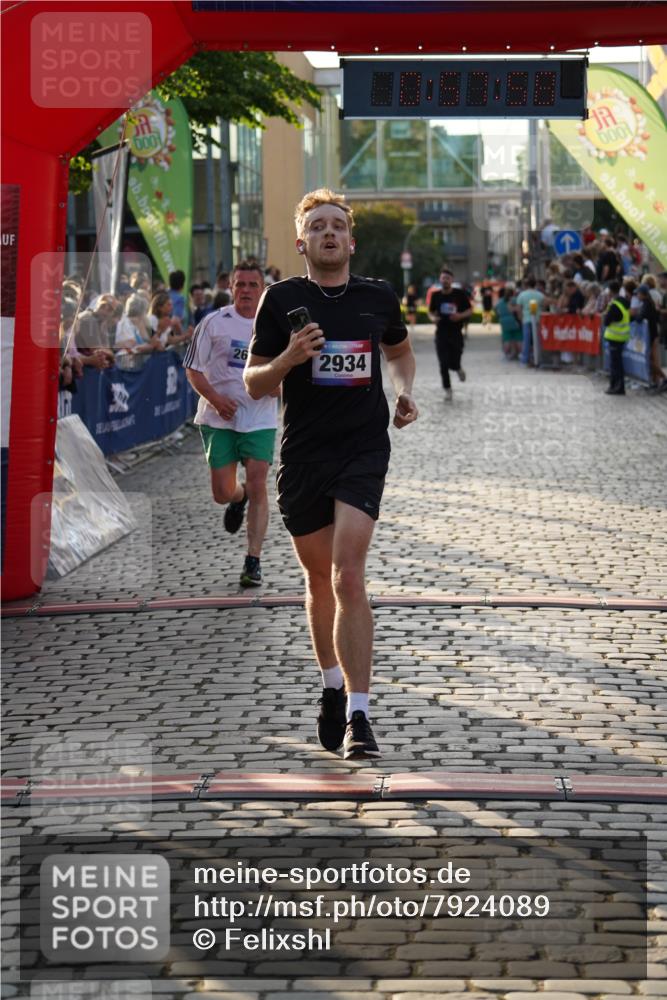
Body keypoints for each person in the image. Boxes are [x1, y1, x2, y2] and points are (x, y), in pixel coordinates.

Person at [244, 188, 418, 760]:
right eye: (317, 226)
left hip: (364, 450)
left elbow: (399, 351)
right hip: (304, 457)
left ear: (351, 239)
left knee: (348, 576)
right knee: (319, 582)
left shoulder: (377, 295)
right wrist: (290, 357)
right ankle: (332, 689)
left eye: (337, 225)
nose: (328, 233)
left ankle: (361, 719)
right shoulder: (281, 299)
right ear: (302, 241)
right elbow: (254, 383)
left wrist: (405, 393)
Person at [184, 261, 278, 588]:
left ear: (263, 289)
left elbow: (290, 374)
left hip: (259, 418)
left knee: (258, 482)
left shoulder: (276, 326)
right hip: (217, 418)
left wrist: (277, 386)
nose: (247, 291)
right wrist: (215, 399)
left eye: (253, 285)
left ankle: (253, 560)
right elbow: (193, 369)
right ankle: (238, 499)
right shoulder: (213, 323)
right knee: (222, 493)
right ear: (231, 288)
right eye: (241, 285)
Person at [428, 266, 472, 401]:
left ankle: (458, 368)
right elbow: (430, 312)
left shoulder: (459, 294)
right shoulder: (436, 295)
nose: (445, 280)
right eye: (443, 278)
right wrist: (433, 318)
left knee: (454, 359)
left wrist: (460, 316)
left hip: (456, 333)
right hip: (441, 333)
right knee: (443, 363)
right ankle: (448, 390)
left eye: (447, 278)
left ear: (451, 280)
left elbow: (470, 310)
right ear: (440, 280)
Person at [602, 279, 631, 395]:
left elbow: (607, 321)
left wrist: (606, 315)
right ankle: (618, 386)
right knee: (617, 364)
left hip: (615, 337)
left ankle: (617, 387)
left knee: (615, 365)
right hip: (622, 337)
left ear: (610, 291)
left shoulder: (614, 305)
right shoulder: (624, 302)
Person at [637, 284, 665, 391]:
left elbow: (640, 318)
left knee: (650, 360)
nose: (637, 295)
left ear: (643, 294)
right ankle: (655, 381)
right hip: (650, 334)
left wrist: (634, 316)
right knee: (650, 359)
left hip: (651, 335)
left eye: (638, 293)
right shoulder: (646, 303)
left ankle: (663, 377)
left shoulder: (647, 304)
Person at [516, 276, 546, 366]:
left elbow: (518, 308)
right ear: (535, 284)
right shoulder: (540, 295)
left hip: (526, 319)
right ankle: (537, 358)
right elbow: (544, 305)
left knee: (526, 340)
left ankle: (525, 359)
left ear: (526, 285)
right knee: (537, 340)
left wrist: (520, 318)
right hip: (537, 319)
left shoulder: (522, 295)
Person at [496, 286, 522, 359]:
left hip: (504, 321)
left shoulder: (500, 301)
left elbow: (496, 311)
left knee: (507, 339)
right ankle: (520, 353)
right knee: (518, 338)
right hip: (514, 321)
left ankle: (507, 354)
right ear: (513, 293)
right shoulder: (515, 300)